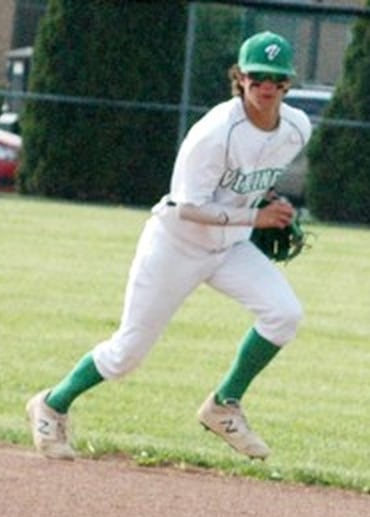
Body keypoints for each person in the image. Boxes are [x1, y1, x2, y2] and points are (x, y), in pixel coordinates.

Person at [25, 31, 311, 462]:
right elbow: (187, 207)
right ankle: (51, 404)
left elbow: (251, 178)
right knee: (126, 355)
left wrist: (268, 202)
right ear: (240, 78)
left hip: (228, 247)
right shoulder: (214, 132)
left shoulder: (296, 128)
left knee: (284, 314)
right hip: (176, 245)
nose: (266, 86)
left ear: (288, 83)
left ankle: (223, 405)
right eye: (257, 77)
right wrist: (255, 217)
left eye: (276, 78)